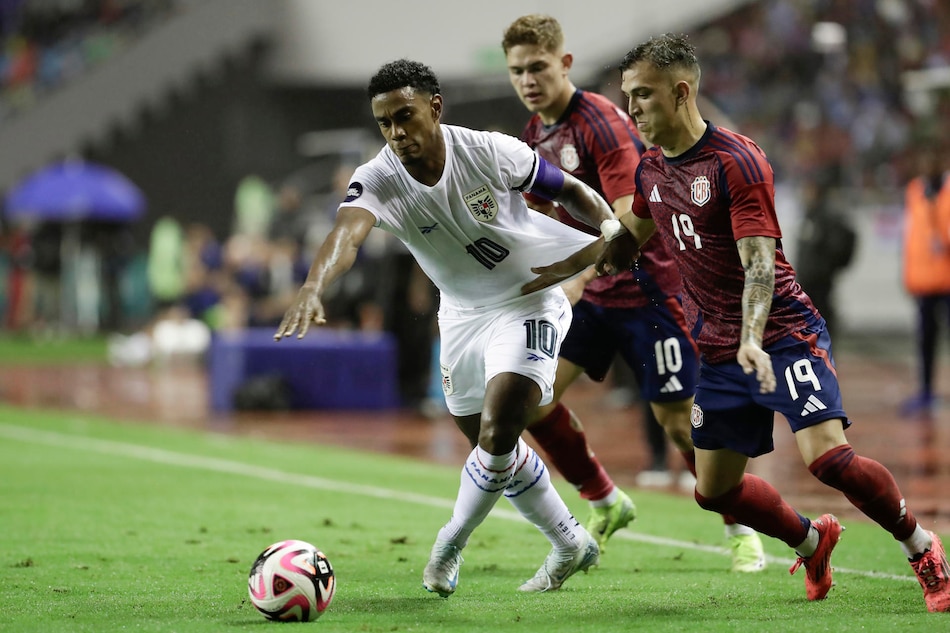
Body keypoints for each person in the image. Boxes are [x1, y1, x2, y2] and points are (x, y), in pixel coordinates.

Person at [525, 33, 950, 612]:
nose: (633, 111)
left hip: (780, 333)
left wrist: (753, 338)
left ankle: (921, 546)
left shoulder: (736, 160)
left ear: (681, 92)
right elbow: (630, 241)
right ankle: (810, 539)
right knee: (712, 489)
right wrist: (558, 272)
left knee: (827, 457)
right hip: (719, 348)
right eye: (628, 98)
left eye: (643, 96)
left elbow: (759, 265)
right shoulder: (651, 170)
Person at [274, 59, 621, 596]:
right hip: (460, 314)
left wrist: (609, 226)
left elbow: (569, 190)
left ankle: (449, 545)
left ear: (434, 108)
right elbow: (346, 235)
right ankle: (570, 542)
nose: (396, 133)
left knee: (499, 430)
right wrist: (312, 285)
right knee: (491, 450)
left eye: (405, 116)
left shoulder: (488, 150)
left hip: (529, 298)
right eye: (385, 123)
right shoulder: (379, 177)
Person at [501, 14, 765, 570]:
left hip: (649, 293)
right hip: (592, 299)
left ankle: (742, 527)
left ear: (564, 63)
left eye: (538, 67)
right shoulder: (535, 132)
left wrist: (573, 276)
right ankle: (605, 498)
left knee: (677, 424)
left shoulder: (600, 123)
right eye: (517, 70)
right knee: (531, 398)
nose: (528, 80)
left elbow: (628, 218)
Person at [900, 143, 950, 417]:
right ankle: (926, 391)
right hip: (924, 281)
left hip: (947, 280)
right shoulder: (915, 191)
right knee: (925, 340)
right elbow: (912, 237)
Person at [794, 178, 856, 338]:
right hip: (806, 281)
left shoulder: (828, 216)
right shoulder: (810, 214)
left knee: (821, 322)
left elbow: (846, 239)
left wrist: (827, 268)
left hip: (820, 282)